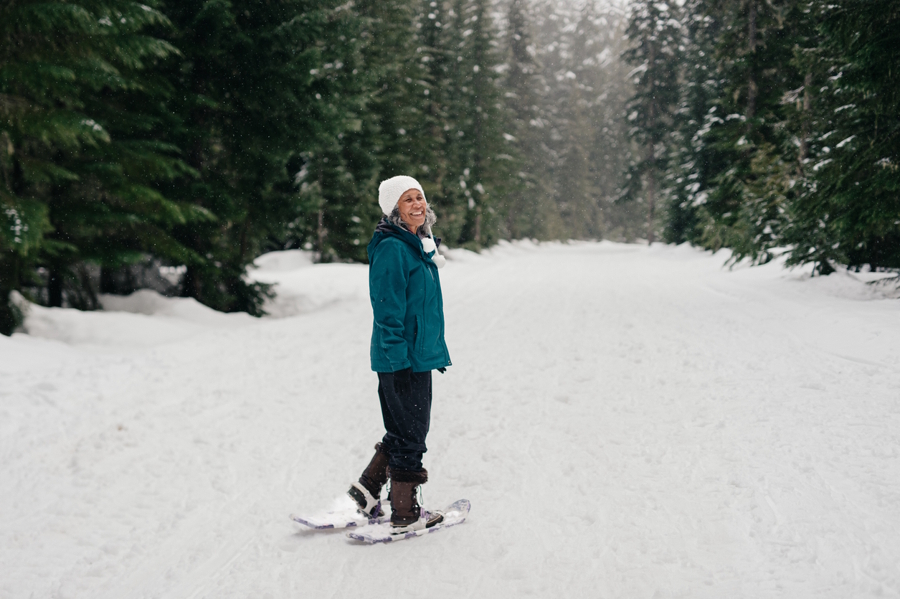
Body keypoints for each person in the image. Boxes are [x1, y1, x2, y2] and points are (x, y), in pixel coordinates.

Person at [347, 175, 451, 533]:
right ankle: (405, 512)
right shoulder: (393, 248)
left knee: (402, 426)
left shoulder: (415, 244)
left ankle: (367, 490)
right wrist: (398, 359)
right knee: (412, 434)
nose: (418, 204)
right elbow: (387, 309)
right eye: (408, 200)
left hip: (414, 354)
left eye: (420, 196)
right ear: (395, 209)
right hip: (402, 357)